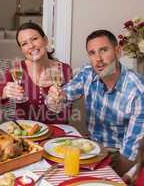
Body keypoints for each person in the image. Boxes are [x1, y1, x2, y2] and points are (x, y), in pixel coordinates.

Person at [47, 29, 144, 175]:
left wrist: (107, 176)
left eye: (103, 50)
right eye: (92, 53)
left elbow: (131, 151)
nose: (98, 58)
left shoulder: (137, 90)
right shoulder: (88, 72)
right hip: (90, 148)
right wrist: (54, 98)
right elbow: (63, 98)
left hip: (118, 156)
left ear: (118, 51)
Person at [0, 22, 72, 123]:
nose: (31, 46)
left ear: (45, 40)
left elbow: (69, 110)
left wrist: (61, 102)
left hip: (56, 133)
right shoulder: (17, 70)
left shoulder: (64, 70)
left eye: (34, 39)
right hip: (25, 133)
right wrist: (4, 92)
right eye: (24, 44)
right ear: (22, 50)